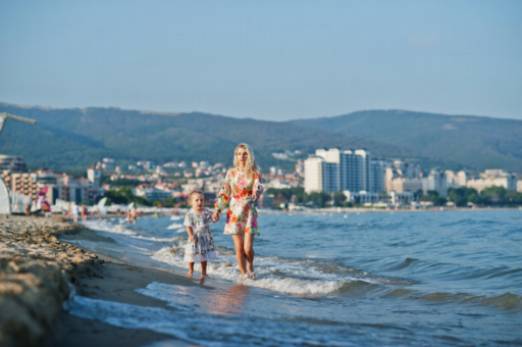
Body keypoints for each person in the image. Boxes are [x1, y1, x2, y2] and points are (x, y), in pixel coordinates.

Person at [213, 143, 263, 280]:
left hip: (249, 212)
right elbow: (225, 192)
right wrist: (217, 209)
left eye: (245, 153)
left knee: (248, 248)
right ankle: (244, 275)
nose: (242, 156)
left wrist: (256, 193)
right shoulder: (231, 172)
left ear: (250, 155)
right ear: (236, 156)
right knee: (239, 248)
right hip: (234, 212)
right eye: (239, 154)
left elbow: (259, 188)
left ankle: (250, 266)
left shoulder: (255, 173)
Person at [184, 191, 217, 285]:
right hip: (194, 237)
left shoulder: (206, 211)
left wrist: (216, 214)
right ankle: (190, 270)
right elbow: (188, 225)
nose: (199, 202)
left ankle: (204, 272)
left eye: (202, 200)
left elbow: (214, 219)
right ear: (191, 202)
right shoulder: (189, 214)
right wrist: (190, 235)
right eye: (197, 200)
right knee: (191, 255)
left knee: (204, 255)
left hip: (205, 237)